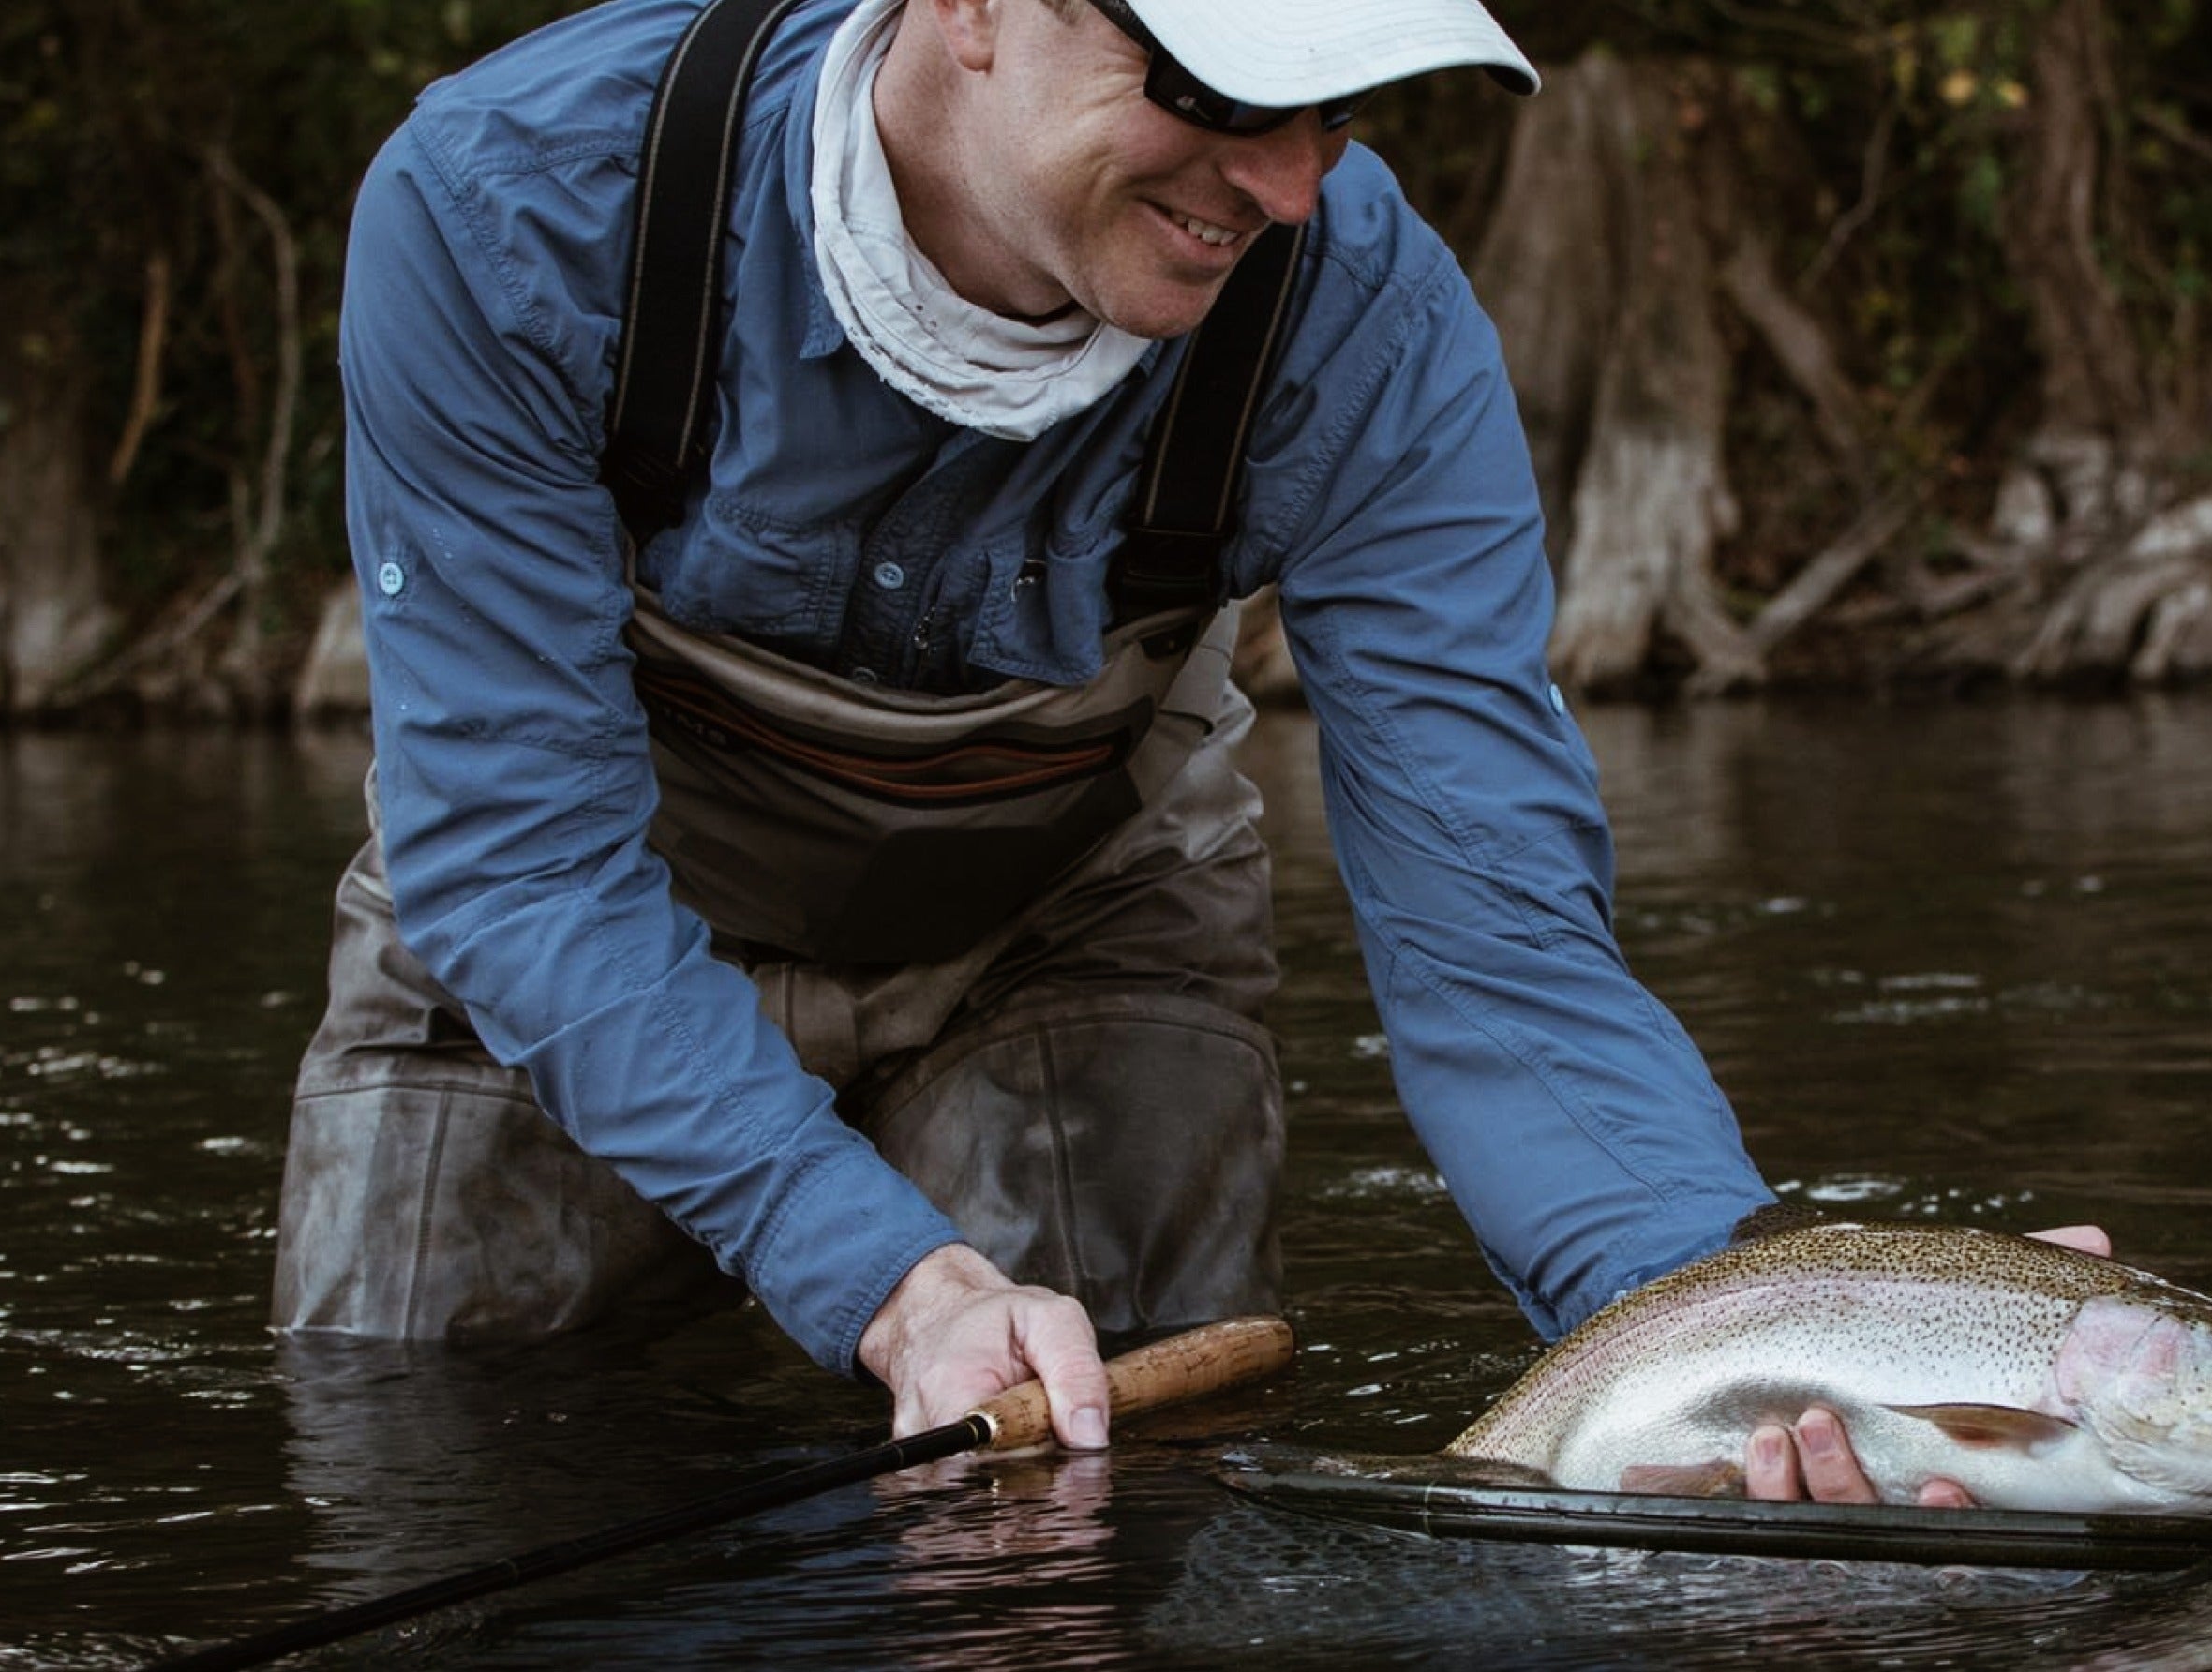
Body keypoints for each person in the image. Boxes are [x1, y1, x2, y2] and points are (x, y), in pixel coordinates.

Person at [276, 0, 2079, 1502]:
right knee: (423, 1481)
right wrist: (887, 1281)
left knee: (1119, 1536)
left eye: (1339, 111)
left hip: (1079, 924)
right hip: (565, 937)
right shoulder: (509, 203)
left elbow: (1503, 958)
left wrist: (1754, 1324)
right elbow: (517, 859)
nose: (1290, 187)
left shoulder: (1370, 326)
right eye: (1217, 91)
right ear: (972, 12)